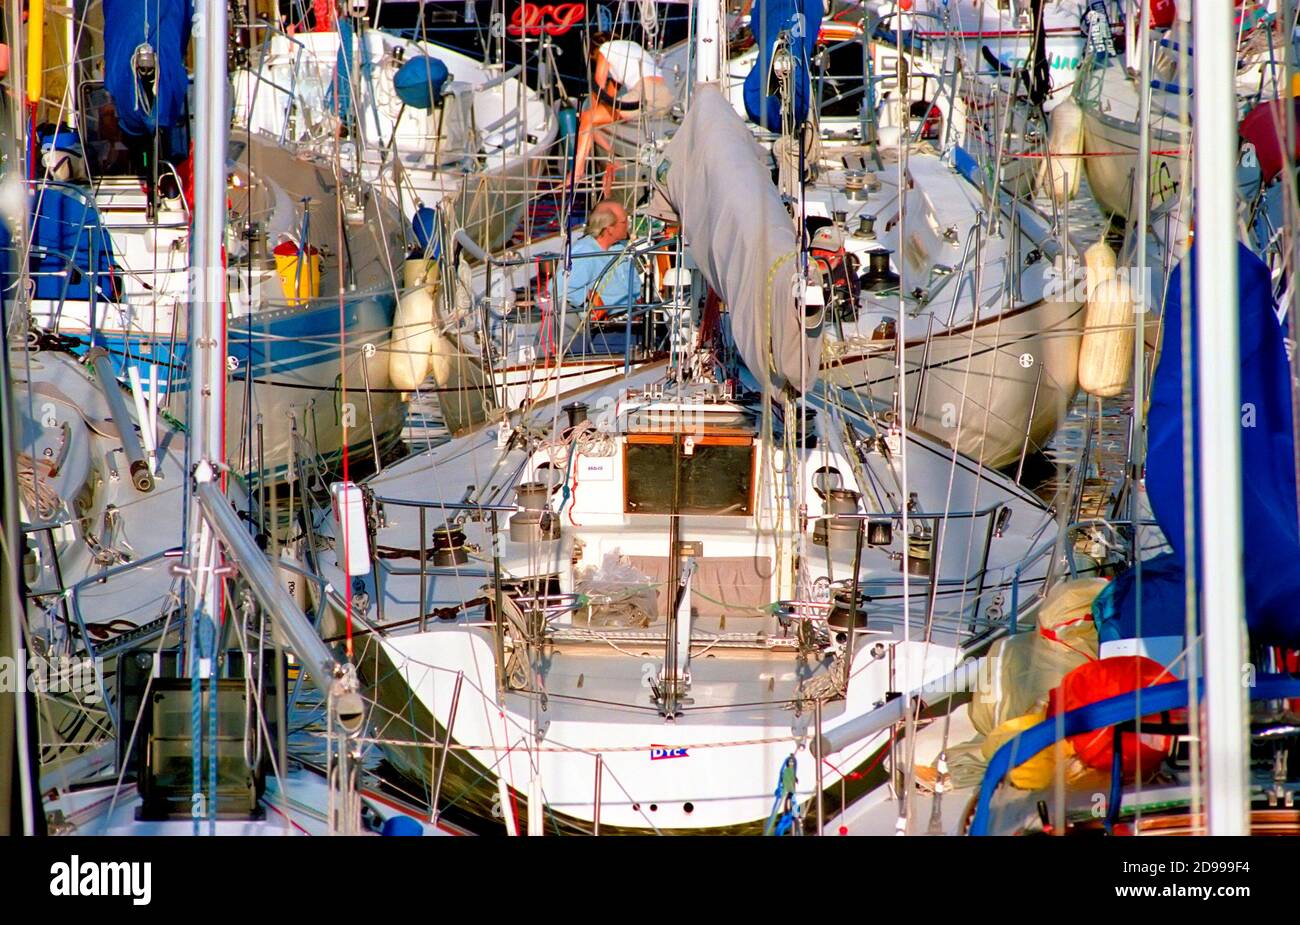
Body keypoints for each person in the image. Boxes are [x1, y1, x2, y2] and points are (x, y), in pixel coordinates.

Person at [572, 39, 673, 193]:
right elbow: (610, 100)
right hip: (664, 97)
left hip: (645, 93)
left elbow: (598, 89)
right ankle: (612, 157)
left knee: (587, 118)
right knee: (599, 121)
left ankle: (576, 173)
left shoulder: (605, 48)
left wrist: (588, 117)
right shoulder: (631, 47)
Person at [565, 199, 642, 318]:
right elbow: (562, 288)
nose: (628, 225)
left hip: (634, 316)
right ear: (609, 228)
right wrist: (589, 297)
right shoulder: (585, 250)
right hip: (609, 325)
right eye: (624, 222)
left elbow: (636, 287)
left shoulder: (620, 248)